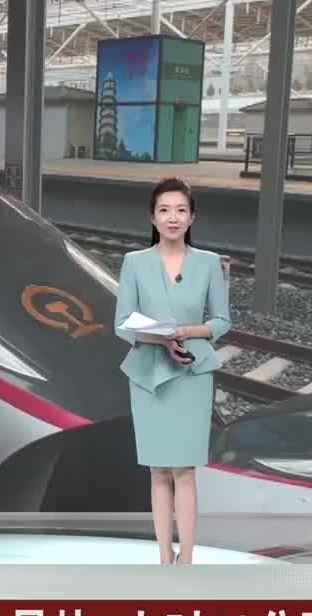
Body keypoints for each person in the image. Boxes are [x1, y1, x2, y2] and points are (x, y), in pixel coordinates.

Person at [114, 177, 231, 565]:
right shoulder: (134, 263)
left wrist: (185, 333)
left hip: (192, 374)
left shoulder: (209, 263)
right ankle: (165, 555)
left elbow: (221, 321)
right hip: (149, 375)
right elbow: (122, 323)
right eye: (164, 210)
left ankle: (188, 558)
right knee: (158, 471)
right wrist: (161, 340)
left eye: (181, 210)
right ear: (152, 217)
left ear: (192, 217)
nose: (173, 217)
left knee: (185, 471)